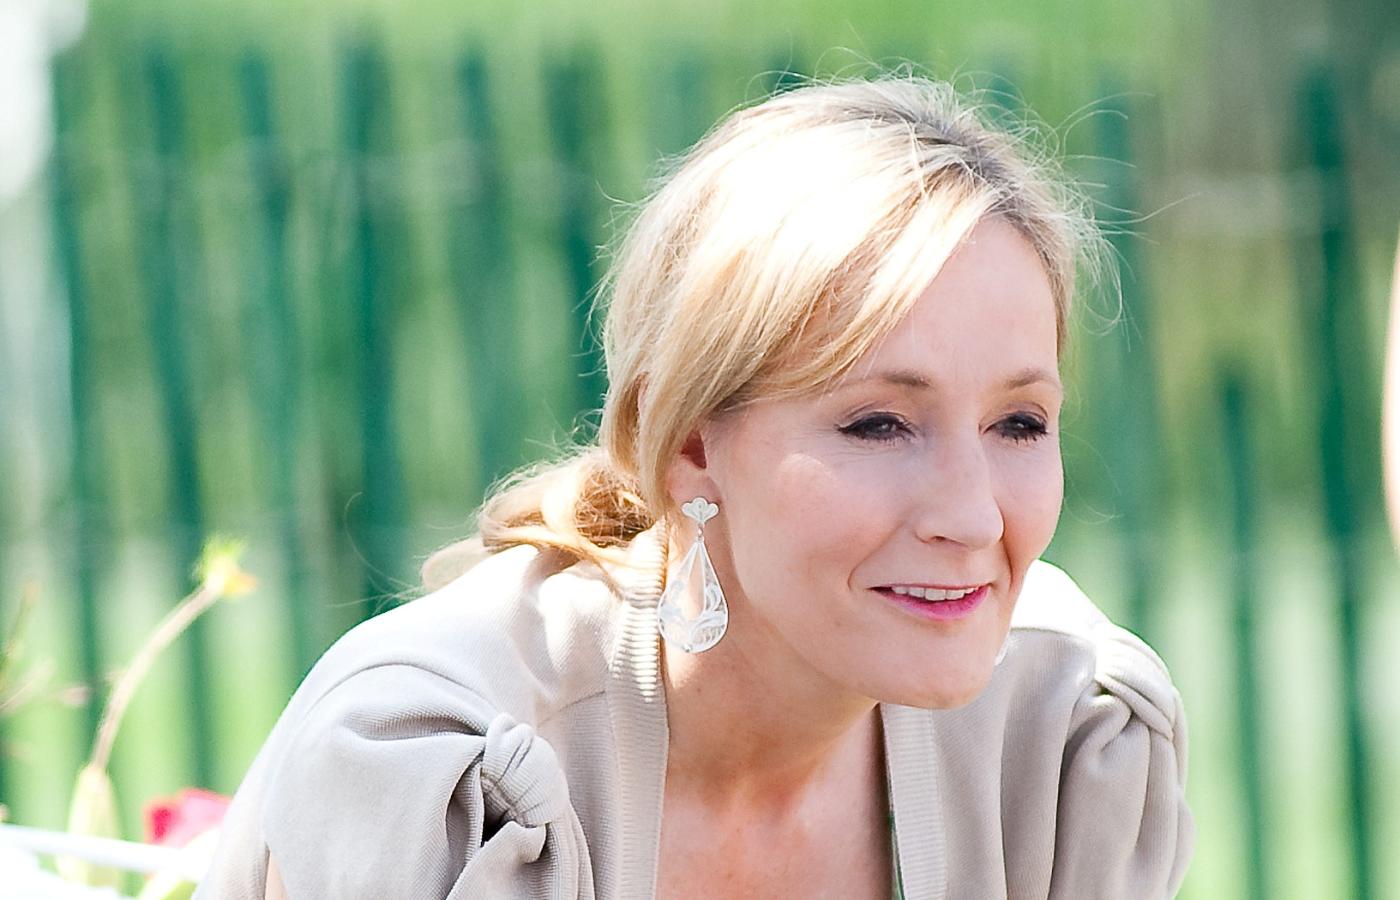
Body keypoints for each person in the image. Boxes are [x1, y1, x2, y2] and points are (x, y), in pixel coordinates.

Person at [196, 76, 1194, 899]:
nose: (971, 517)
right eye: (878, 424)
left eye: (1018, 423)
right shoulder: (439, 776)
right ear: (681, 445)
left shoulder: (1068, 739)